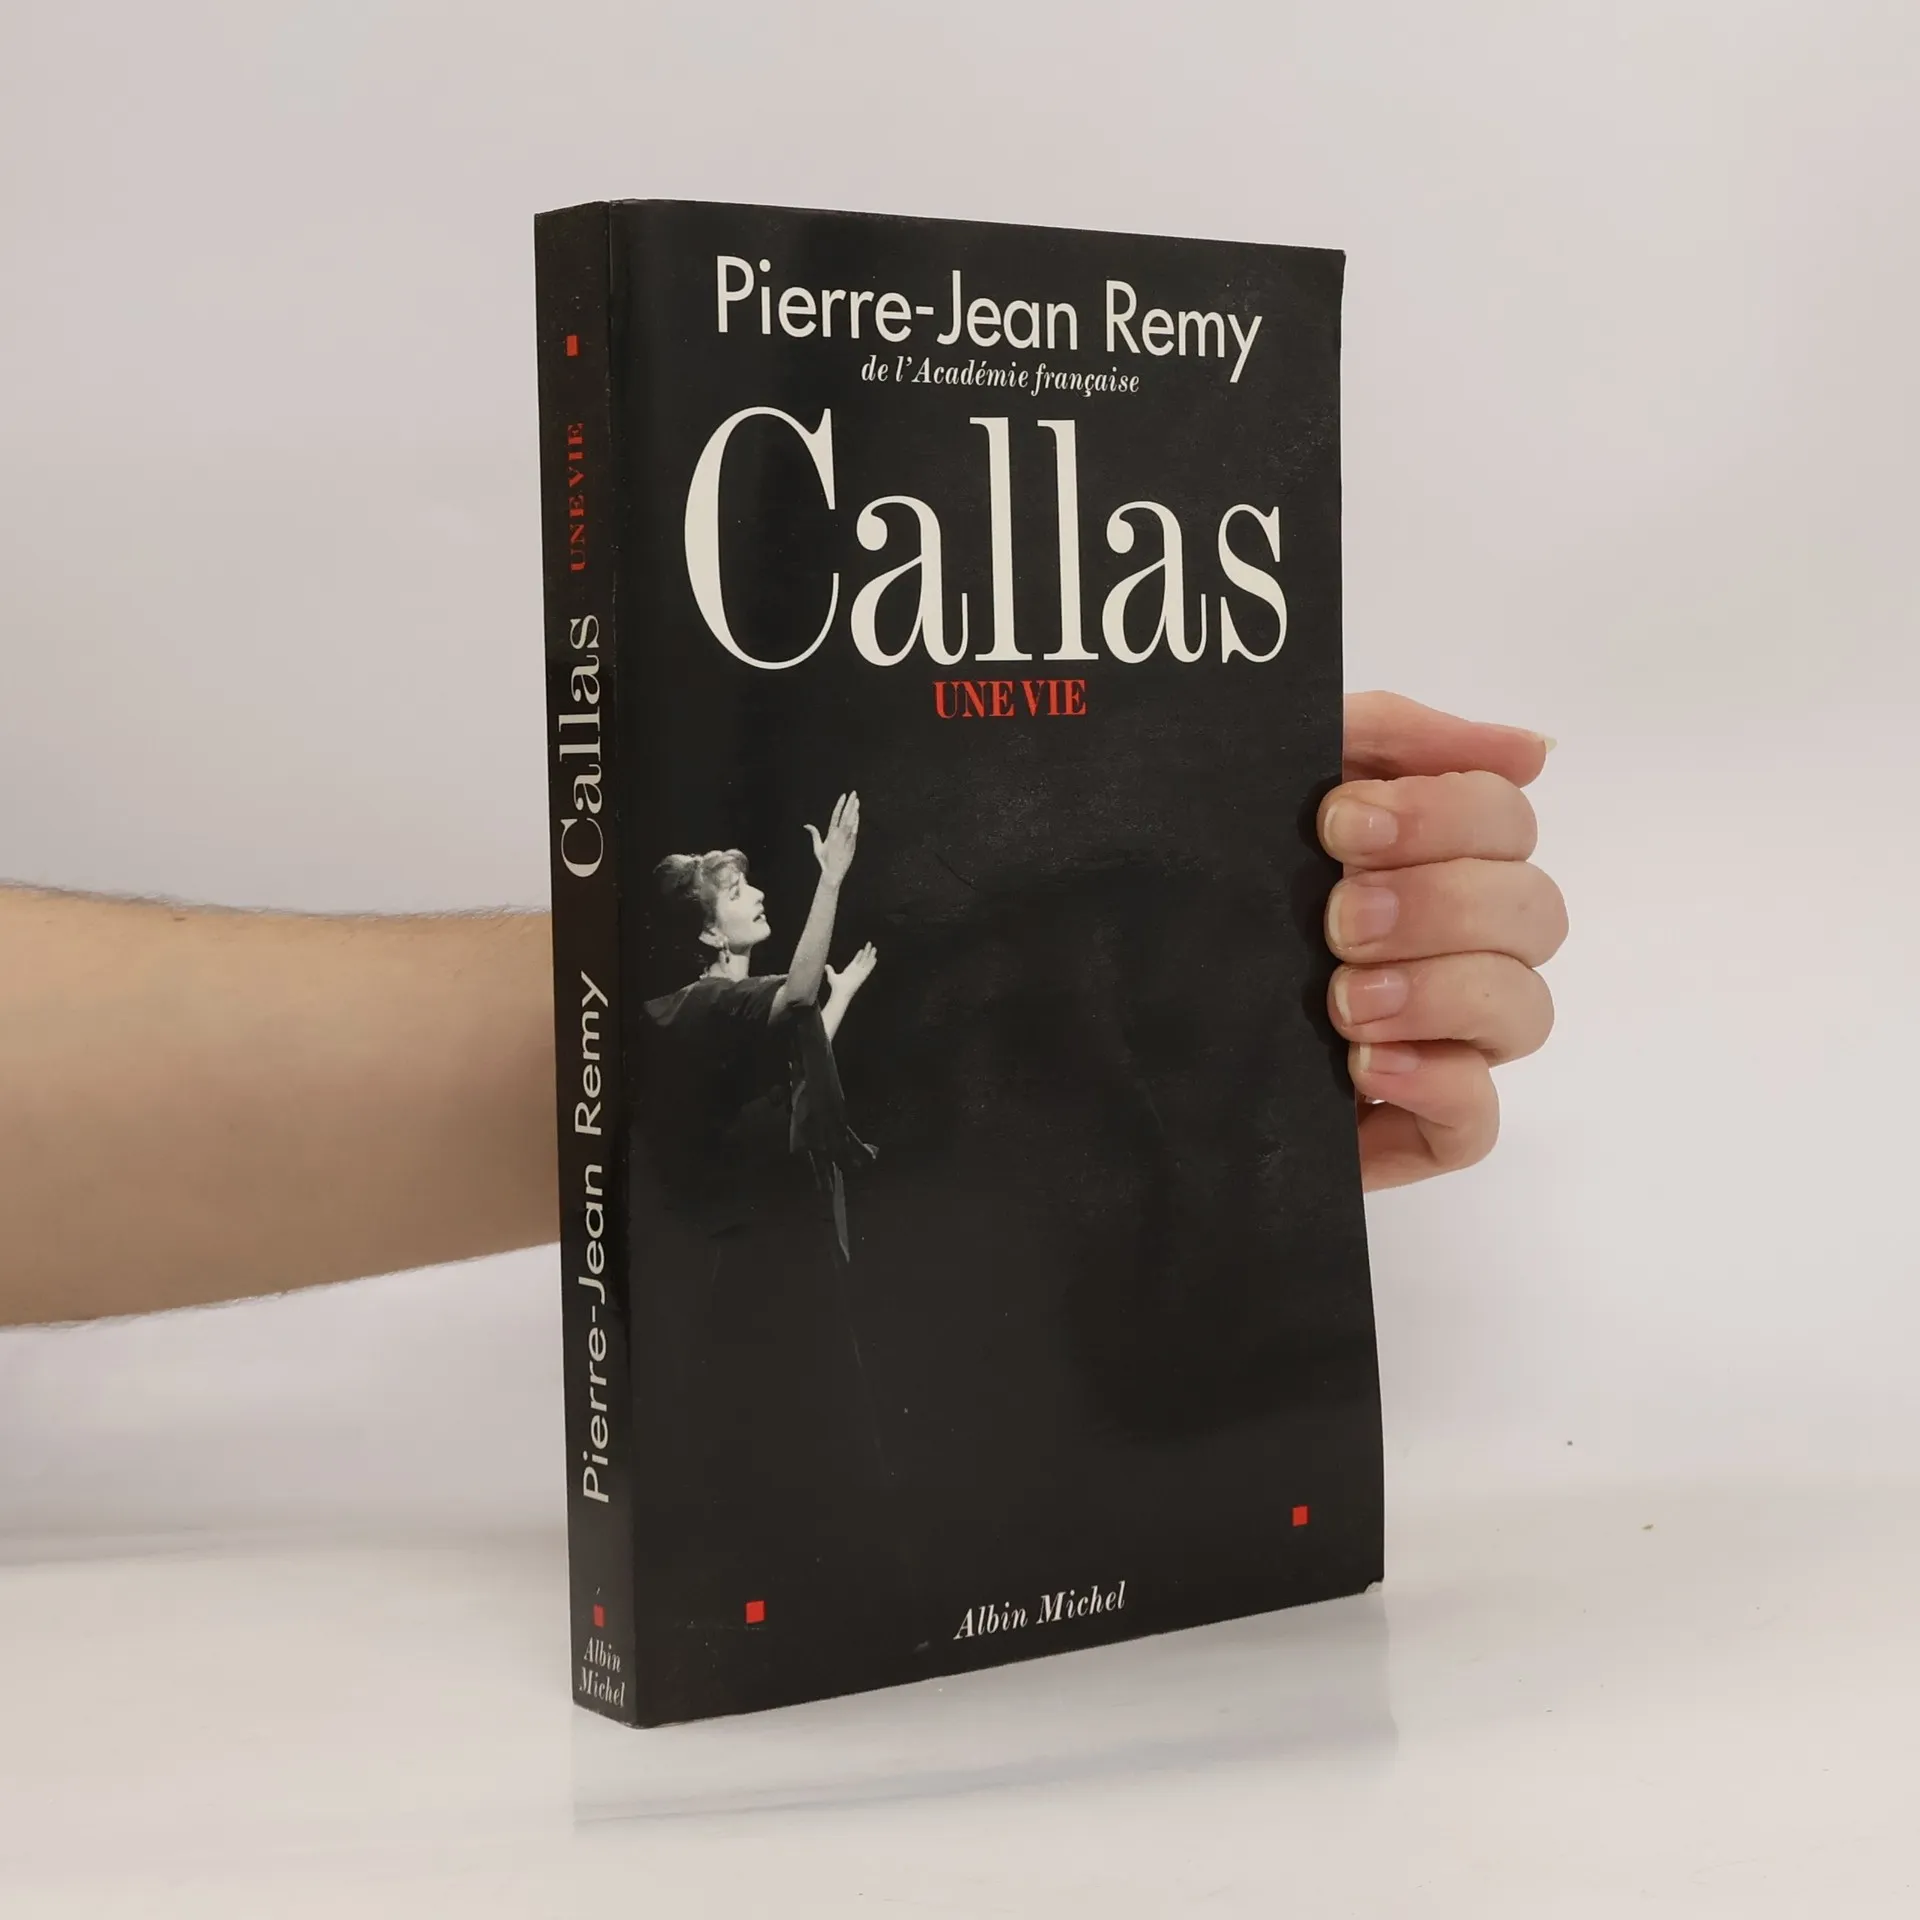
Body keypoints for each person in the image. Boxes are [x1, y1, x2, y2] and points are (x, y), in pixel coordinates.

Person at [0, 692, 1565, 1329]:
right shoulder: (712, 998)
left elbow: (825, 1003)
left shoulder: (701, 1010)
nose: (756, 893)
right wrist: (844, 887)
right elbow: (801, 991)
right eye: (741, 891)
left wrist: (1132, 860)